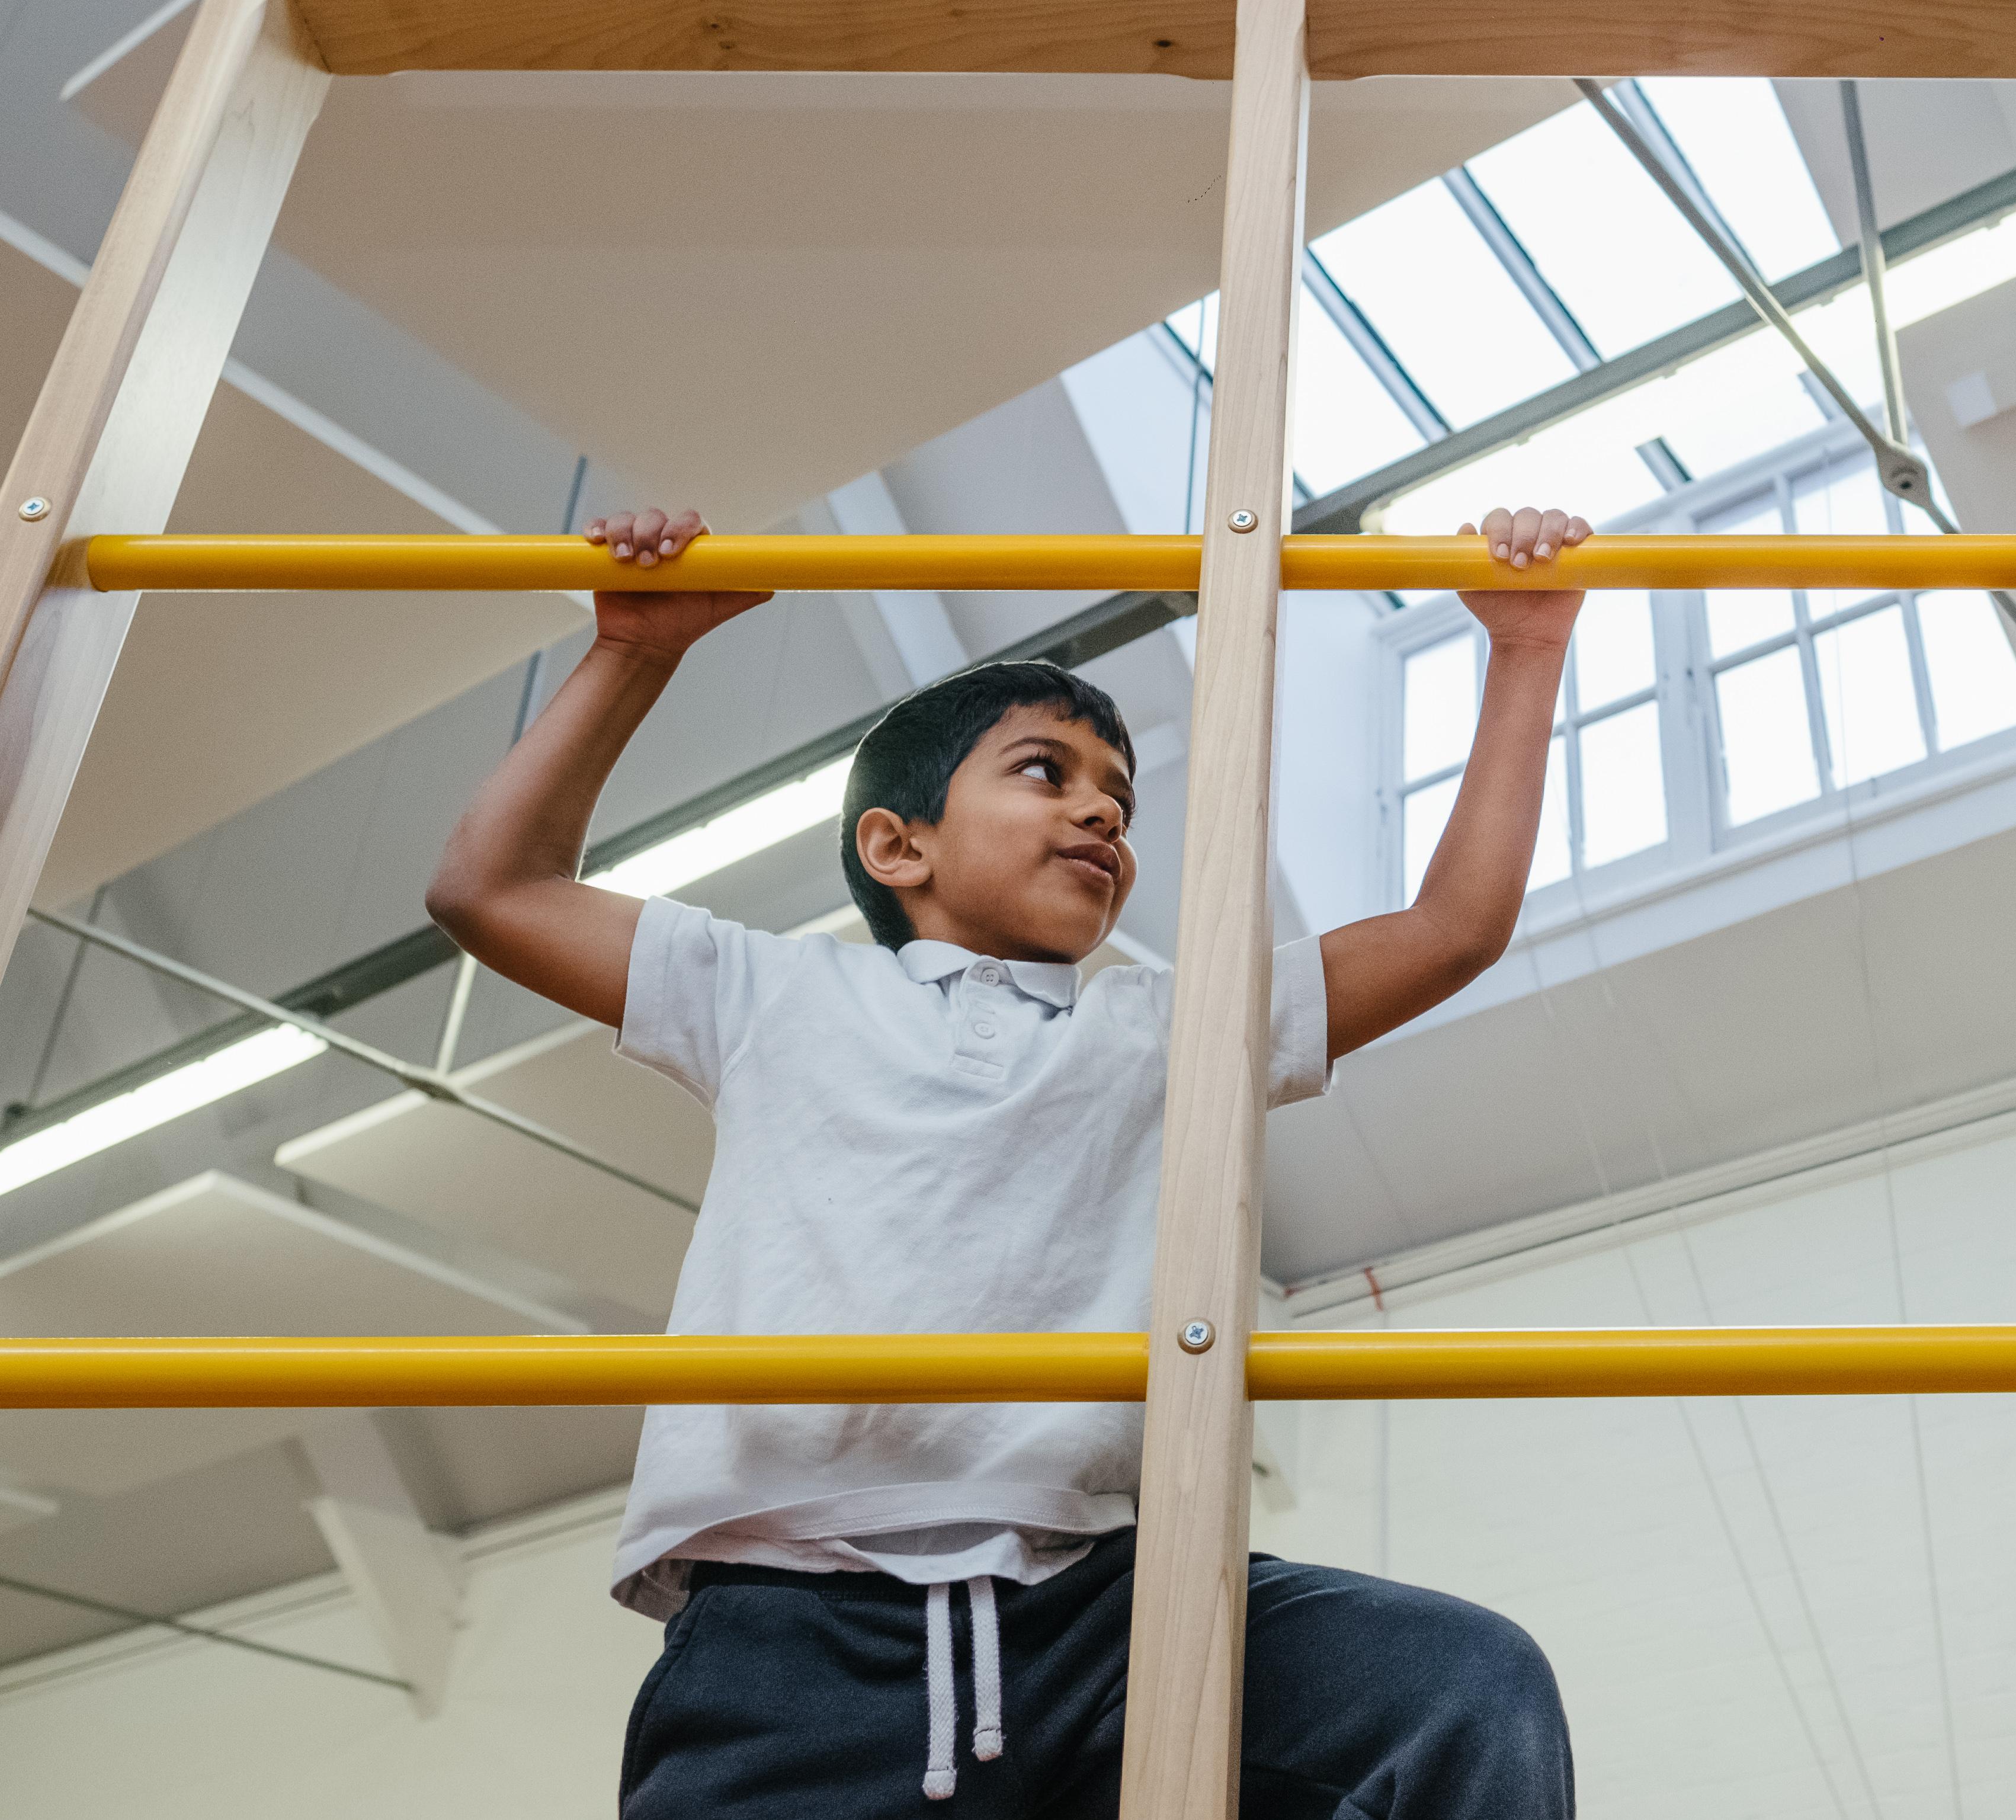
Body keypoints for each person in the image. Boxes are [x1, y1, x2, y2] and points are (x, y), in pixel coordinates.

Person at [427, 502, 1596, 1816]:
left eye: (1121, 799)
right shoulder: (764, 991)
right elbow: (491, 888)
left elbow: (1449, 929)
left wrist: (1525, 650)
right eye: (1046, 771)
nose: (1100, 808)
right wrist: (633, 653)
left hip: (1106, 1611)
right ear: (898, 844)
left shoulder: (1170, 1027)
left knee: (1462, 1680)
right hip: (797, 1627)